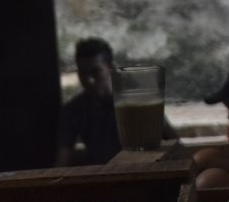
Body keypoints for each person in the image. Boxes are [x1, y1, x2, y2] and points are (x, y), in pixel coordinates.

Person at [56, 38, 176, 166]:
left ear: (111, 68)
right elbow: (63, 156)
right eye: (82, 72)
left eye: (95, 72)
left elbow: (173, 140)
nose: (88, 80)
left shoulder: (138, 102)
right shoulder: (74, 110)